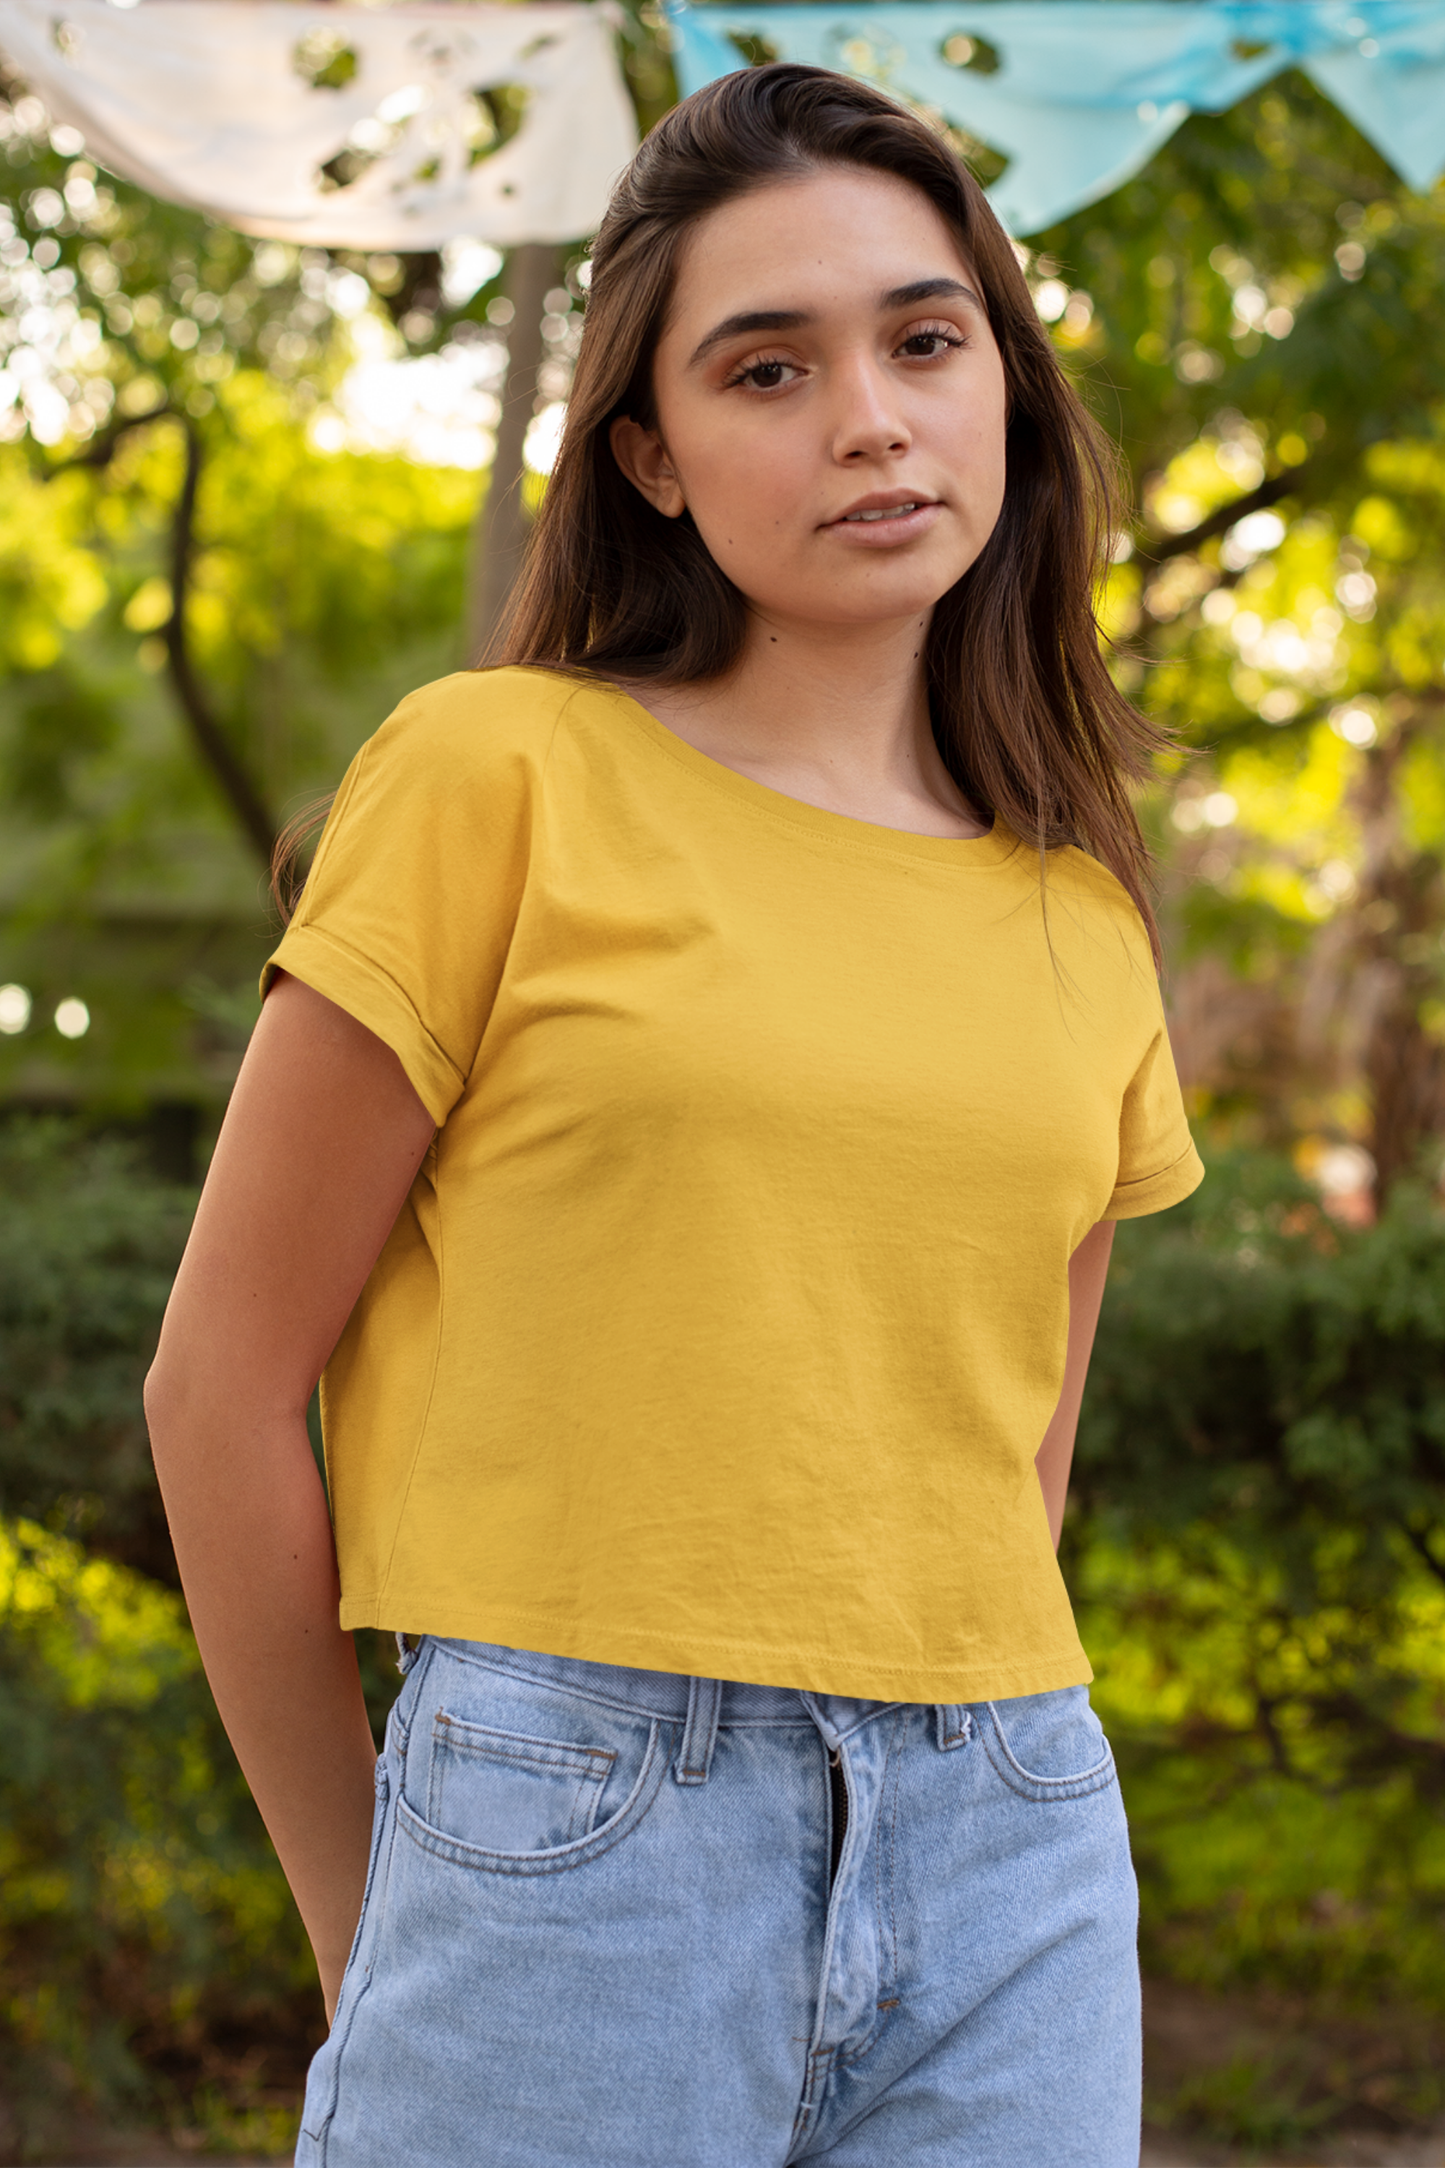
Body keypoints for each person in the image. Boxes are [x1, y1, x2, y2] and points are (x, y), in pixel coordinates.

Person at [145, 62, 1203, 2168]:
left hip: (1015, 1842)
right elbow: (219, 1388)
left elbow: (1010, 1469)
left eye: (923, 341)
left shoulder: (1081, 915)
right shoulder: (496, 777)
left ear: (1001, 379)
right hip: (568, 1839)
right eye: (766, 368)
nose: (869, 420)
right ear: (649, 452)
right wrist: (372, 1917)